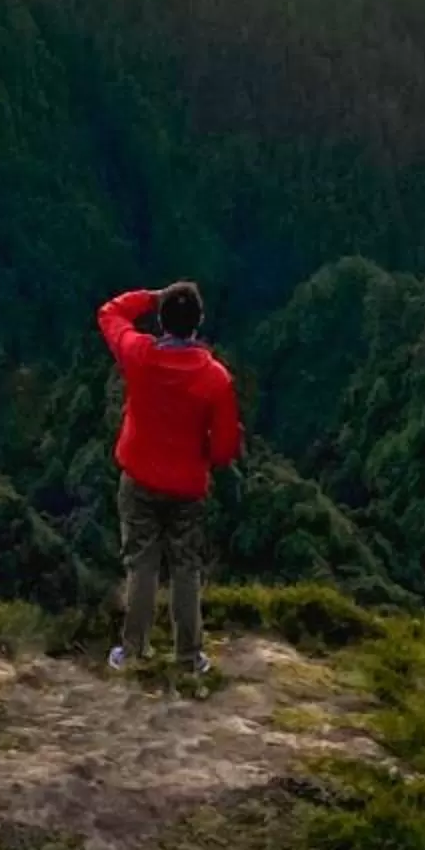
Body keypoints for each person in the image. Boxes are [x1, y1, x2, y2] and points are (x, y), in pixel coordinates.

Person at [95, 279, 242, 677]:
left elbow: (110, 313)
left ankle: (133, 652)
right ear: (199, 322)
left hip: (139, 477)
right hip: (187, 487)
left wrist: (152, 296)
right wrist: (200, 458)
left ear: (161, 320)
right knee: (185, 569)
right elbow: (226, 448)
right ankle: (189, 658)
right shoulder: (215, 378)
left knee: (141, 565)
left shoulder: (139, 356)